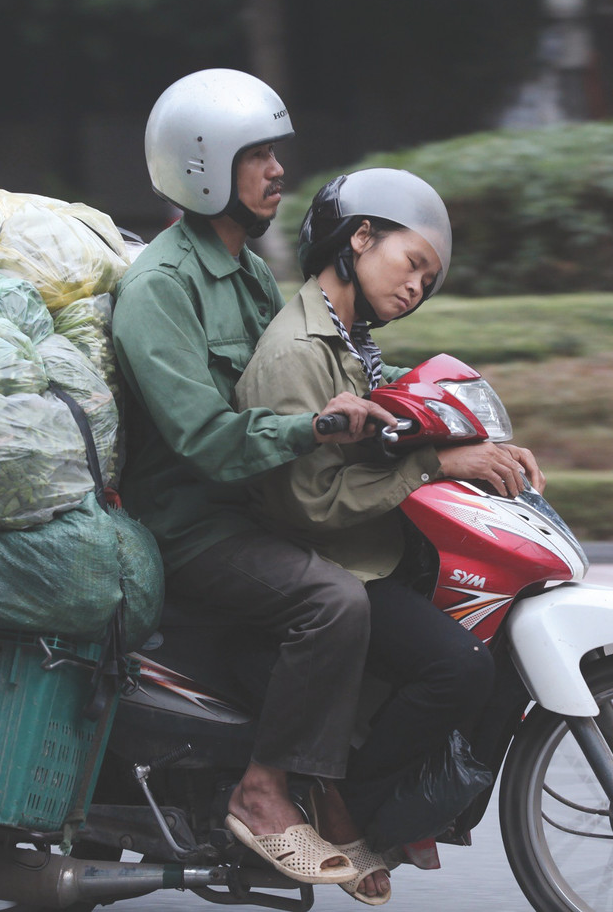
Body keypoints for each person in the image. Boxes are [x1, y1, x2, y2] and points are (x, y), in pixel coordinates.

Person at [111, 69, 400, 894]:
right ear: (203, 165)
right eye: (258, 154)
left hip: (250, 503)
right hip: (191, 524)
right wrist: (317, 427)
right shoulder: (161, 288)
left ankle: (328, 781)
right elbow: (205, 437)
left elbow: (295, 369)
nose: (279, 170)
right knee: (331, 601)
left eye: (276, 152)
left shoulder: (240, 270)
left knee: (388, 564)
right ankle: (267, 790)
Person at [234, 168, 546, 899]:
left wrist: (475, 438)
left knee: (486, 641)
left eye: (428, 282)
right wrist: (439, 462)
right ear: (361, 236)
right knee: (459, 668)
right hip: (326, 561)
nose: (416, 289)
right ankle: (345, 800)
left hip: (371, 549)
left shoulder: (351, 341)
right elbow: (306, 505)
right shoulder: (298, 352)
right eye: (412, 266)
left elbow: (397, 415)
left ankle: (396, 802)